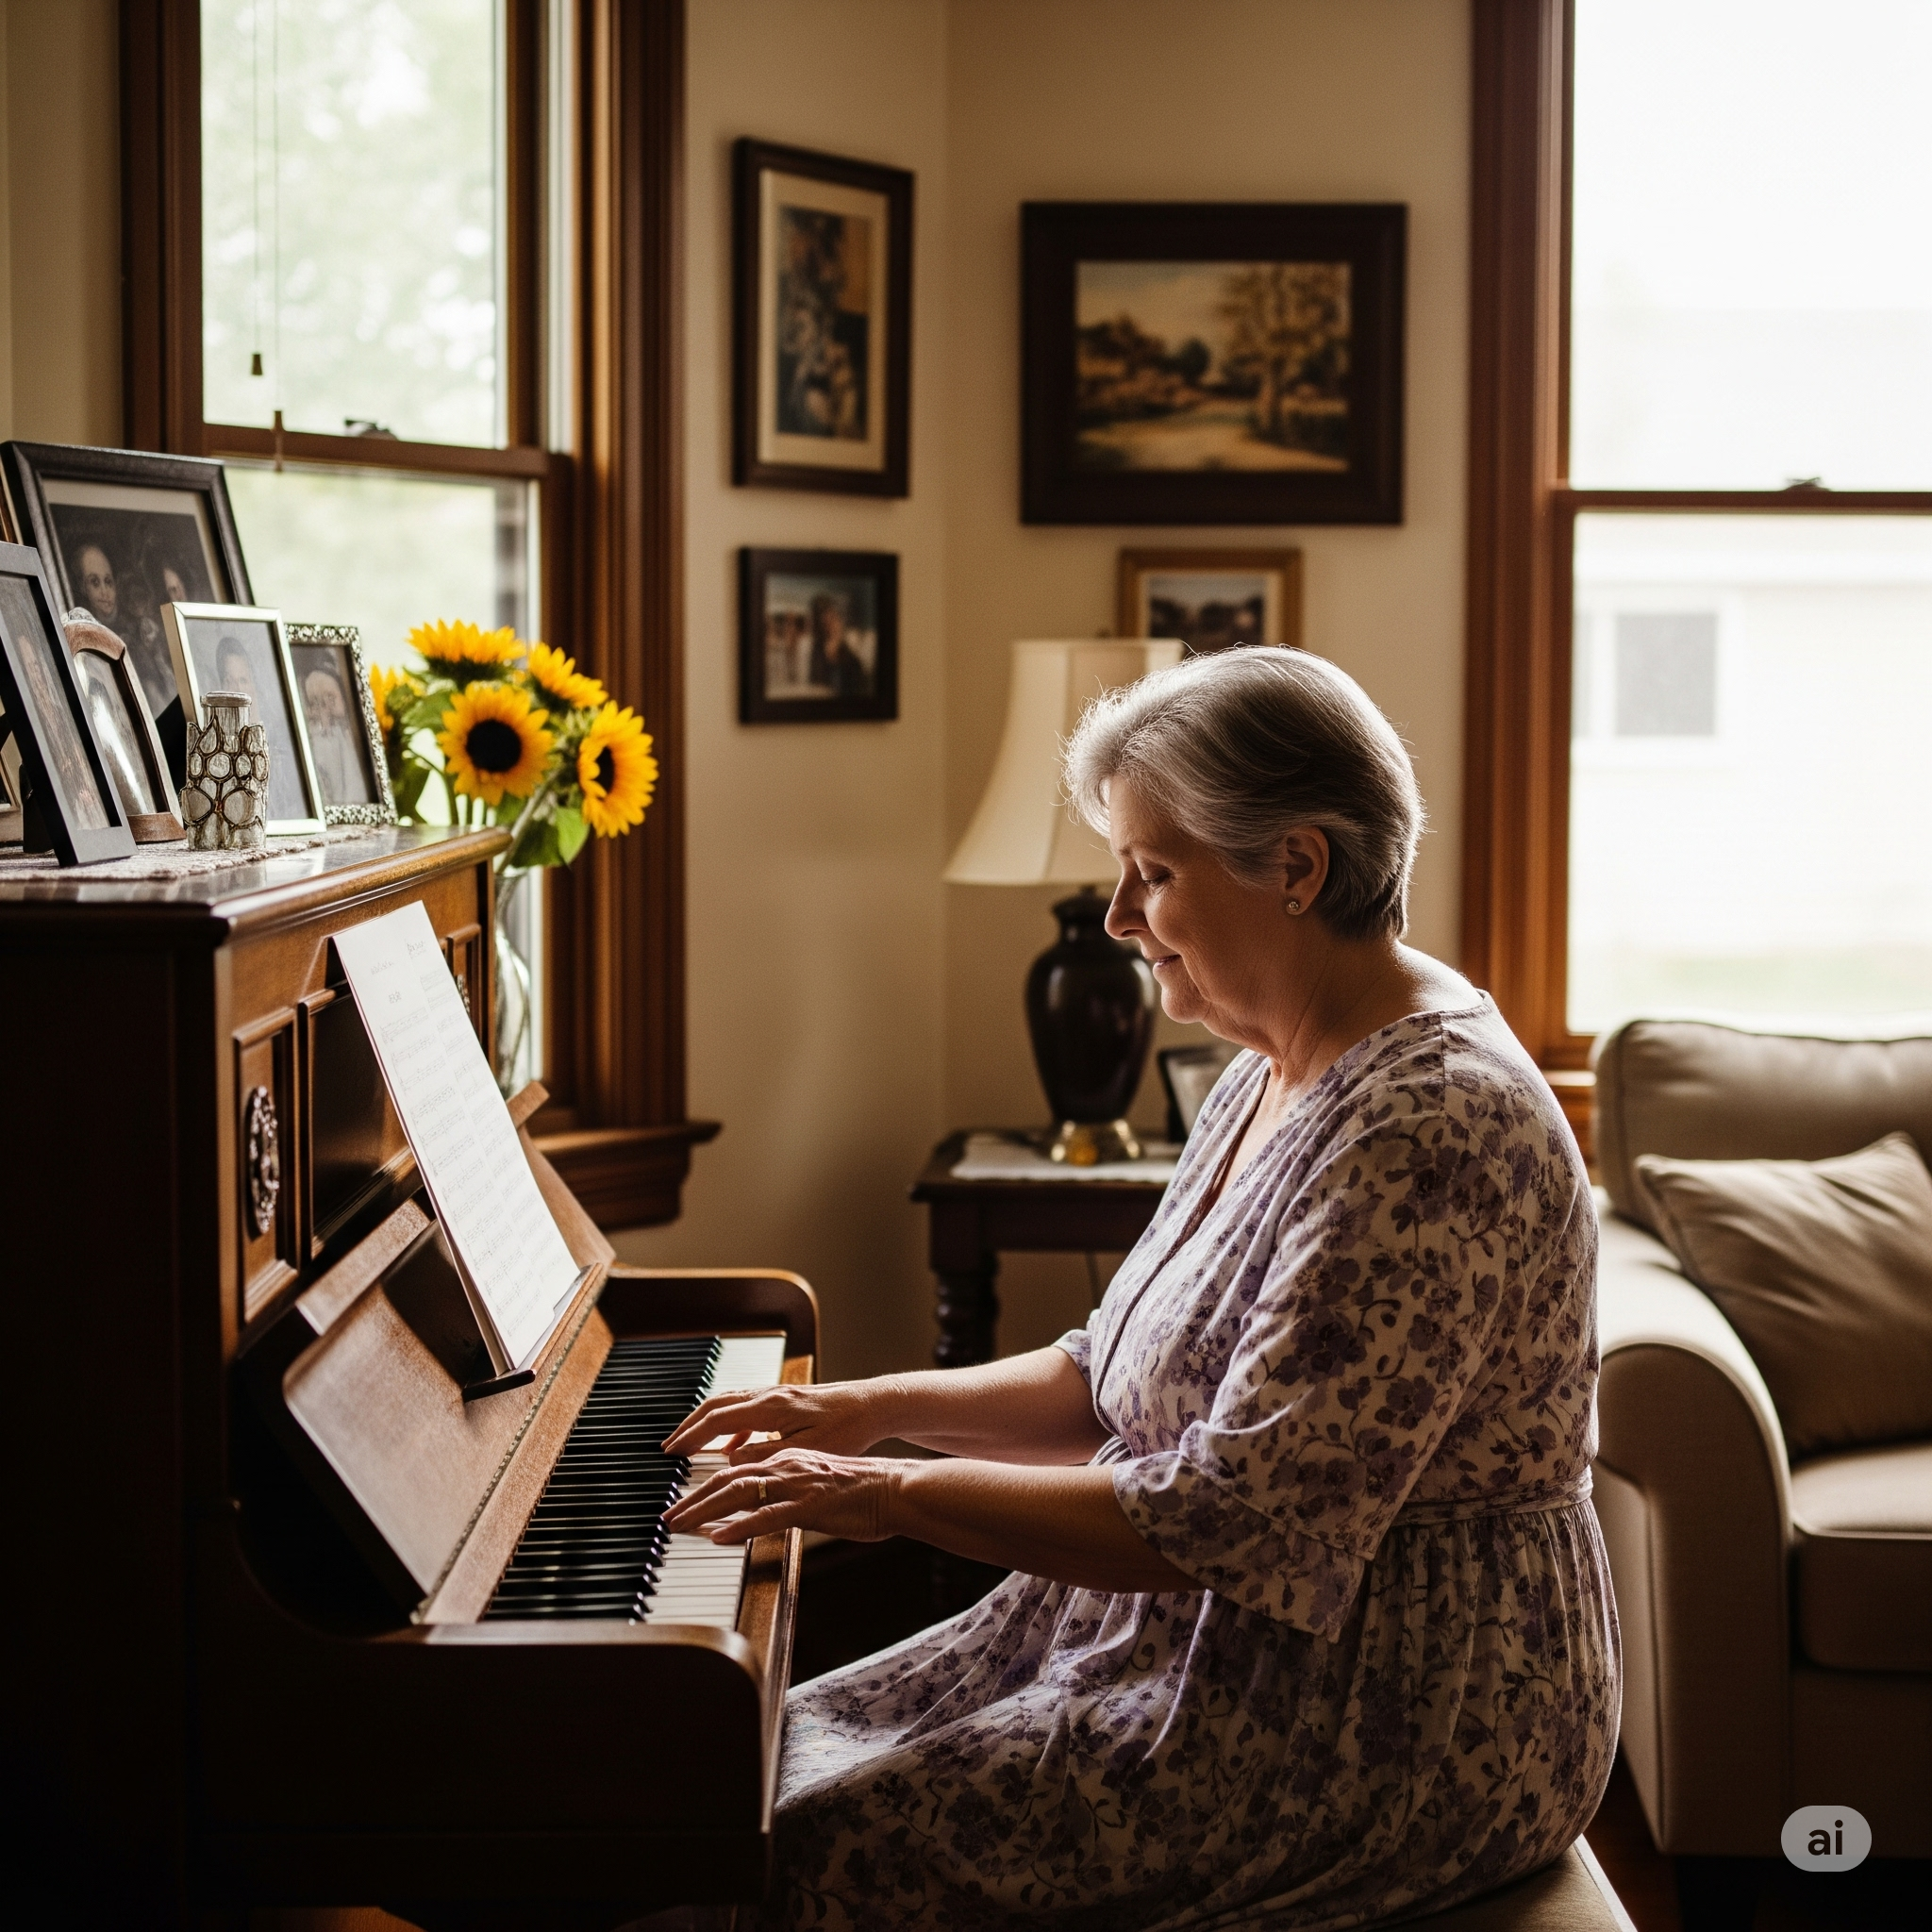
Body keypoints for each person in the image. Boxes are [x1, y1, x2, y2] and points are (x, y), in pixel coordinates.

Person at [665, 646, 1620, 1930]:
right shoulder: (1271, 1058)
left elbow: (1239, 1523)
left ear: (1296, 866)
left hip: (1393, 1707)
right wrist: (862, 1409)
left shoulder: (1431, 1131)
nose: (1118, 917)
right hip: (1185, 1641)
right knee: (726, 1786)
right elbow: (1104, 1372)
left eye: (1154, 873)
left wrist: (882, 1498)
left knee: (810, 1851)